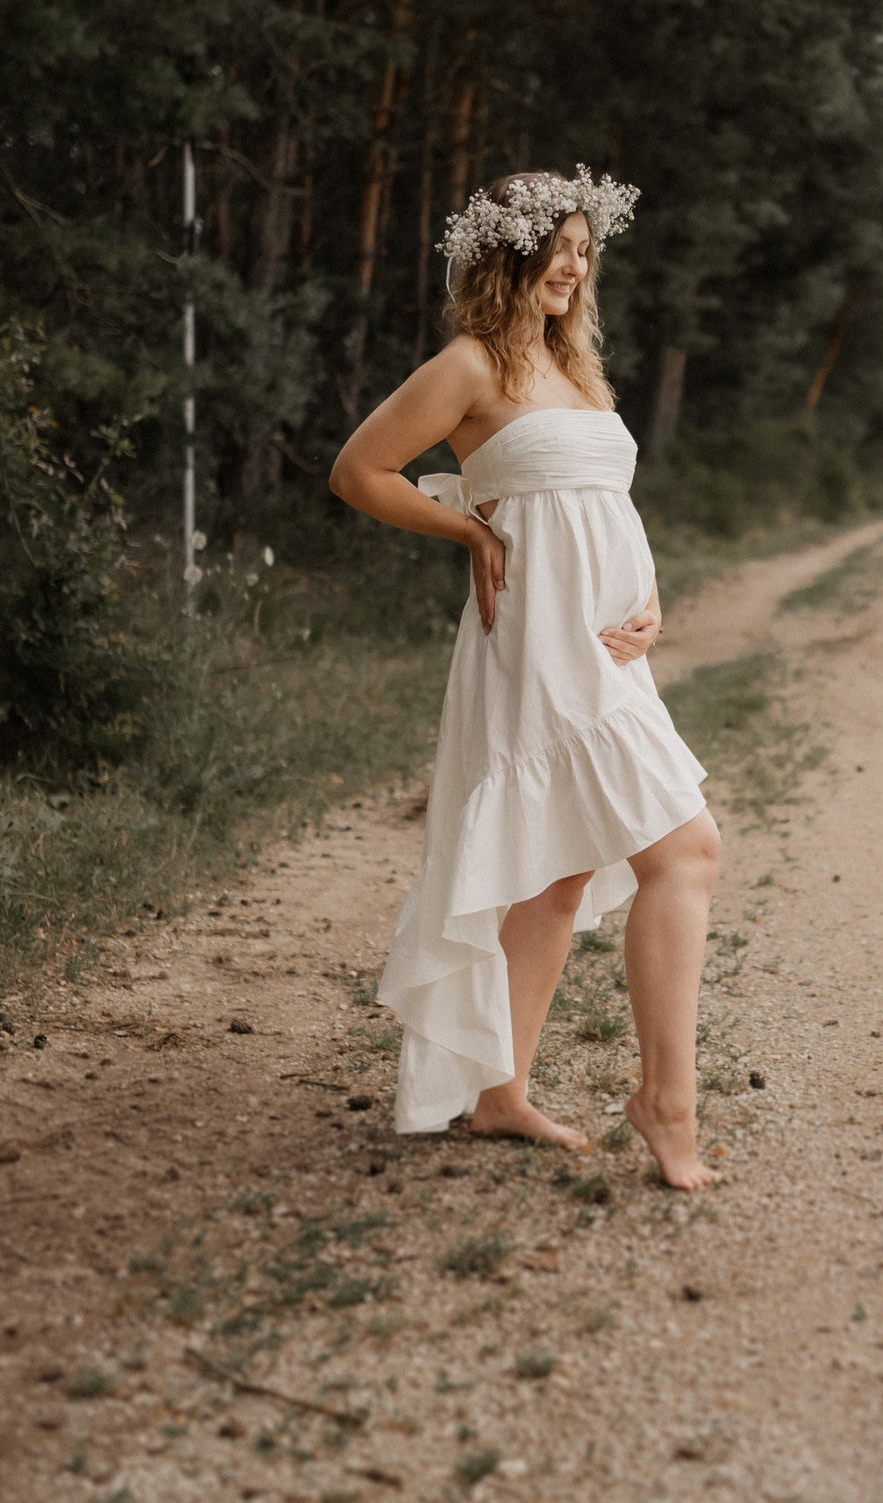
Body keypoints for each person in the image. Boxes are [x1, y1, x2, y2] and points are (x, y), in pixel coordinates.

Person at [327, 168, 723, 1192]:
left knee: (553, 877)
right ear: (508, 252)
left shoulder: (577, 367)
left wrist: (651, 598)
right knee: (687, 849)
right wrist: (462, 520)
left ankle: (500, 1091)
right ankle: (667, 1103)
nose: (578, 266)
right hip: (536, 648)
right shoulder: (466, 366)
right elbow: (358, 470)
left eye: (588, 252)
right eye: (562, 247)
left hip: (609, 649)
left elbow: (597, 504)